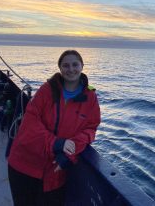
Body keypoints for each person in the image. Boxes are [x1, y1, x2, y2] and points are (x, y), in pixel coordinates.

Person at [8, 50, 101, 206]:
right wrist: (55, 143)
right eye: (65, 65)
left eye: (75, 64)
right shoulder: (46, 90)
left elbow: (90, 129)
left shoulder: (90, 96)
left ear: (82, 66)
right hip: (24, 165)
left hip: (55, 172)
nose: (71, 69)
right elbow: (30, 123)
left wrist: (70, 154)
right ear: (60, 68)